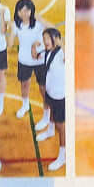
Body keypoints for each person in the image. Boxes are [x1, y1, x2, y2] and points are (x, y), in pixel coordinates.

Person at [35, 26, 66, 171]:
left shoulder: (61, 54)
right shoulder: (48, 52)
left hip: (60, 96)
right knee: (52, 114)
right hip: (51, 92)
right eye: (44, 38)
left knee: (61, 126)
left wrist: (61, 42)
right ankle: (50, 131)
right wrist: (33, 47)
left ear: (57, 39)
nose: (46, 41)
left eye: (49, 38)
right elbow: (35, 56)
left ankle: (63, 156)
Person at [11, 0, 46, 120]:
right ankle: (25, 105)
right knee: (24, 85)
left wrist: (41, 19)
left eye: (27, 10)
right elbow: (10, 44)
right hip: (24, 60)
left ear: (32, 11)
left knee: (43, 88)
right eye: (22, 10)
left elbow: (53, 30)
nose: (25, 13)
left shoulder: (38, 24)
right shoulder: (16, 25)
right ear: (17, 12)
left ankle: (47, 113)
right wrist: (9, 30)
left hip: (39, 60)